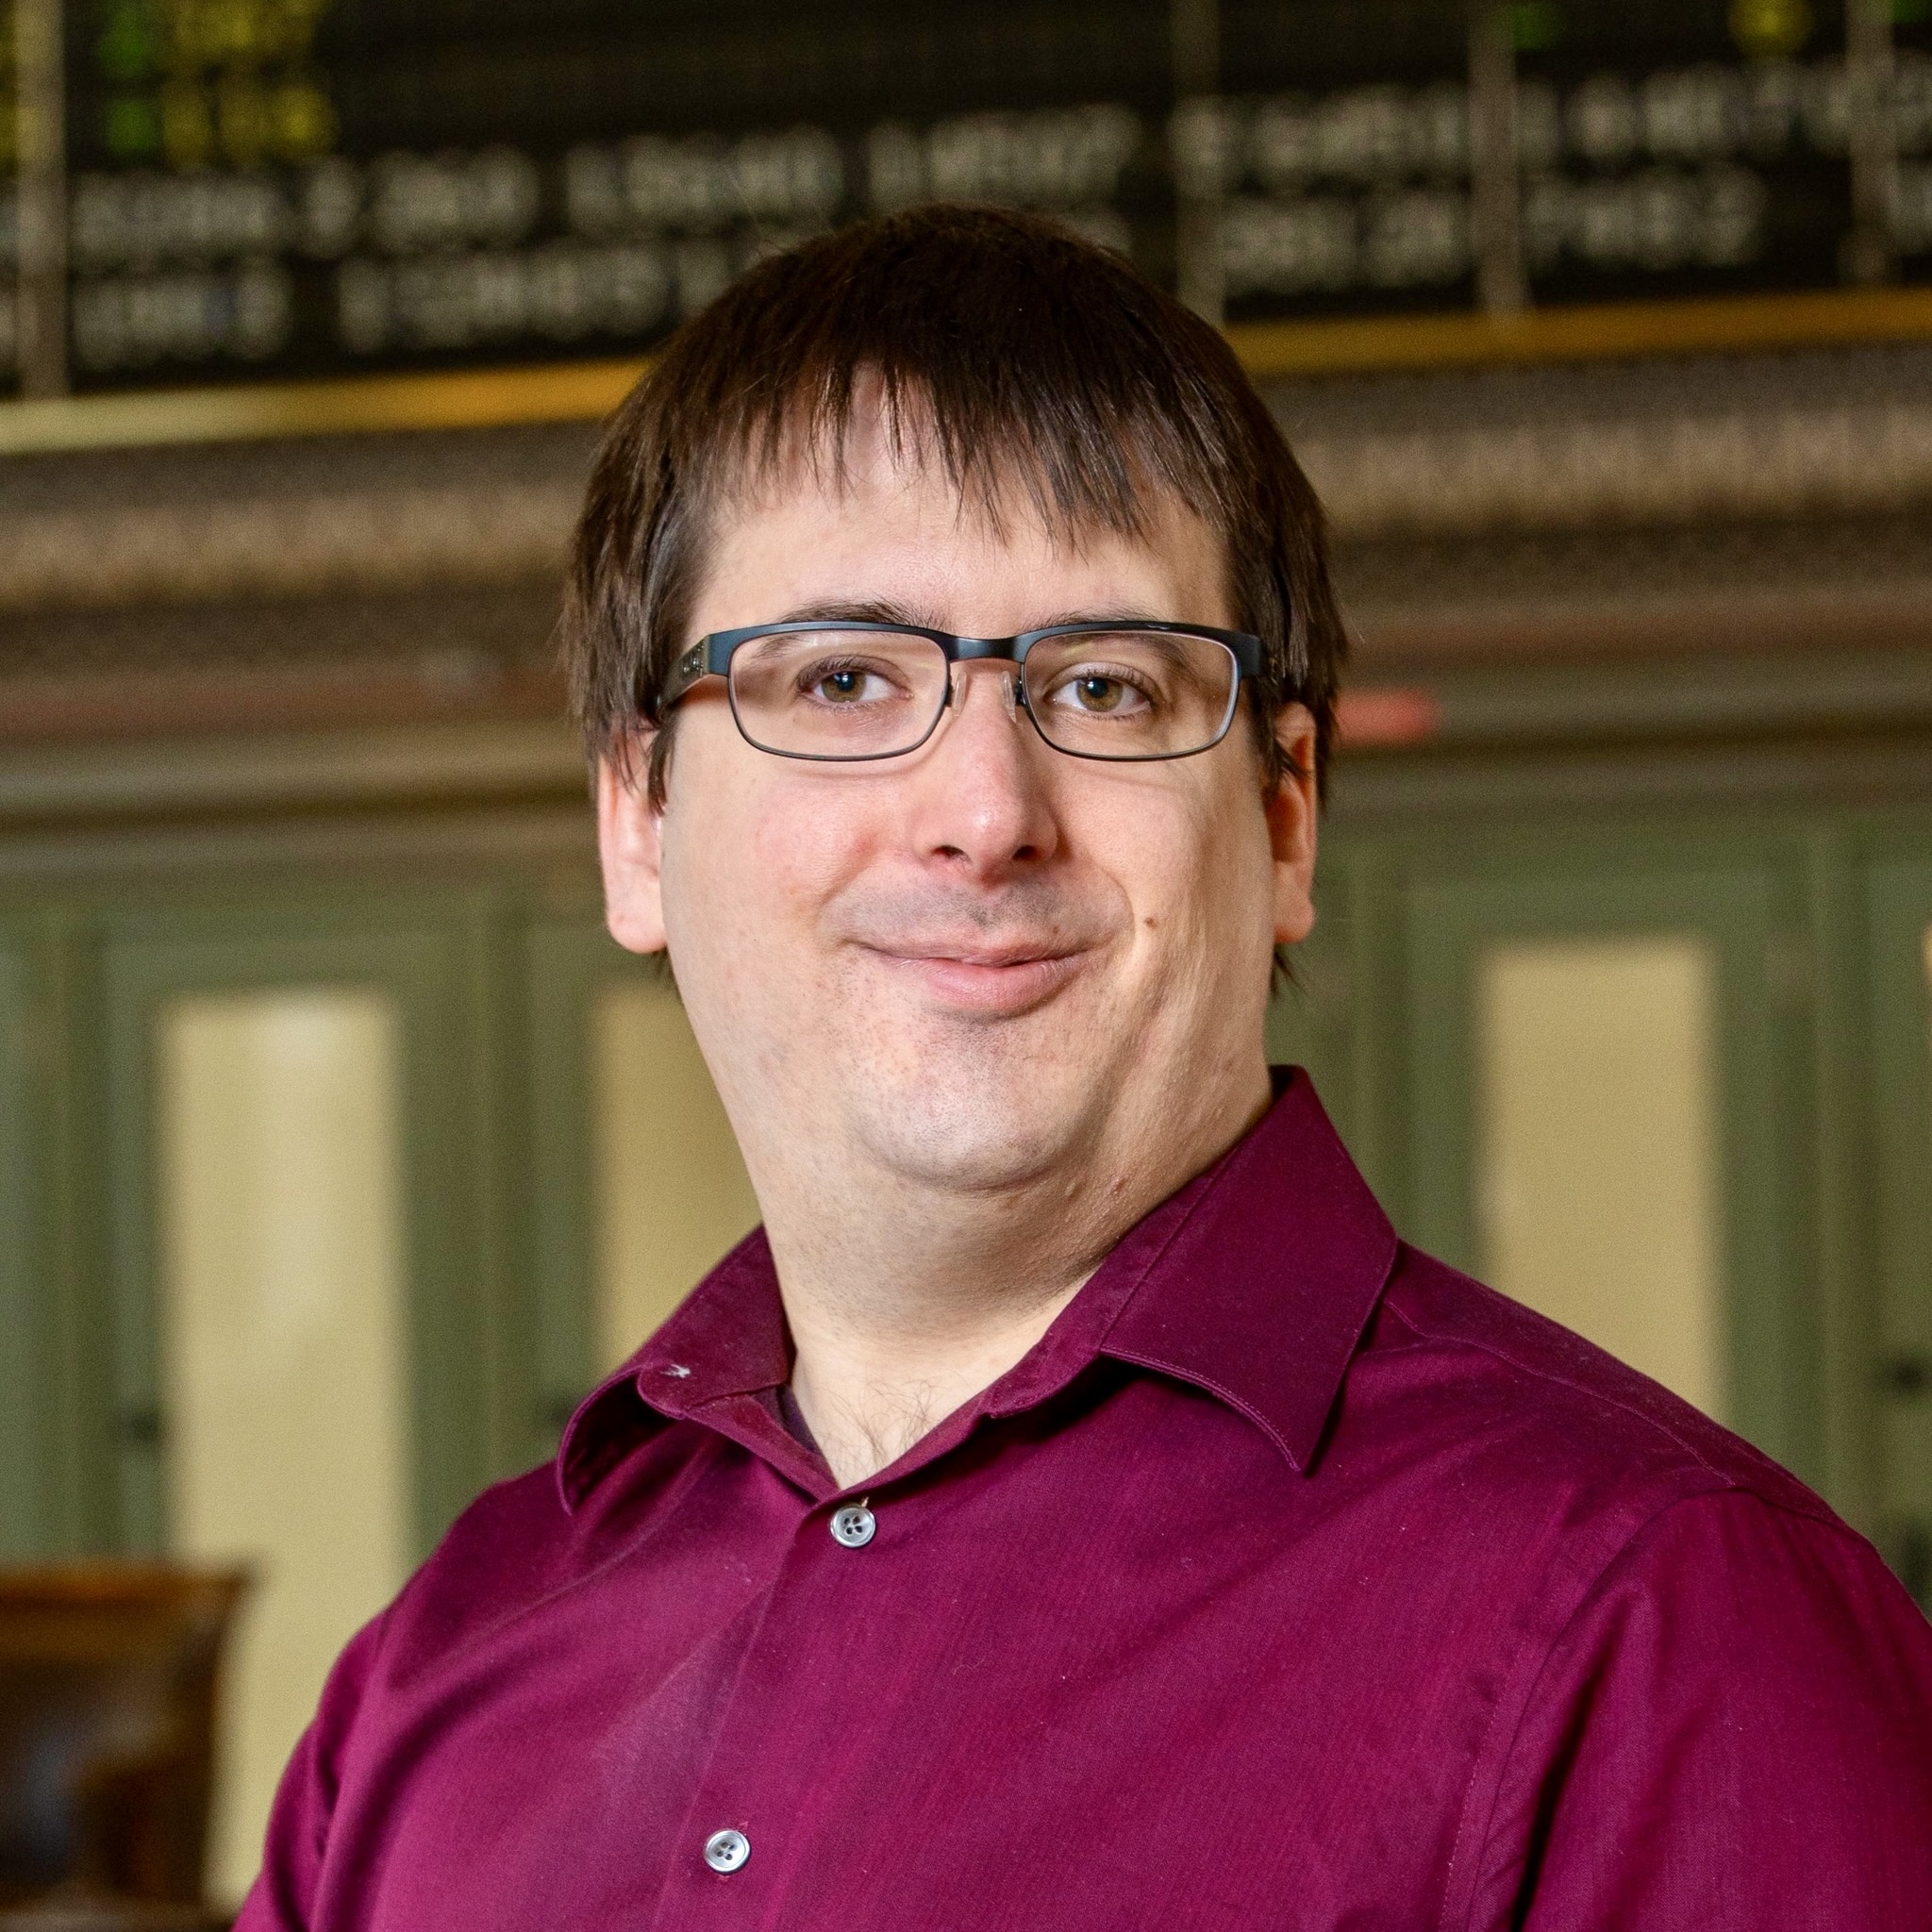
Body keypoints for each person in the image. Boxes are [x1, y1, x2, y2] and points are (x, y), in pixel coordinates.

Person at [239, 206, 1932, 1932]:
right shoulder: (439, 1671)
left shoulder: (1670, 1624)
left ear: (1282, 819)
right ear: (637, 824)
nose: (985, 811)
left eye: (1111, 689)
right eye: (839, 677)